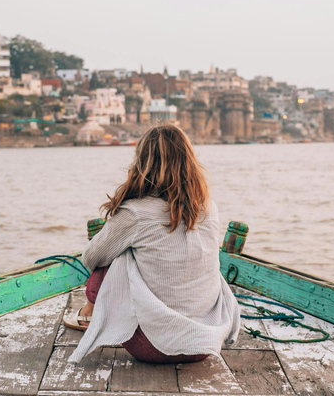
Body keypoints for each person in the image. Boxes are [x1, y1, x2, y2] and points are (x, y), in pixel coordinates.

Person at [66, 123, 240, 364]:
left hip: (150, 346)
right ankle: (89, 314)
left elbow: (91, 258)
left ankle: (88, 314)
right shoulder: (209, 207)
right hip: (205, 344)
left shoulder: (135, 213)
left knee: (117, 255)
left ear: (142, 163)